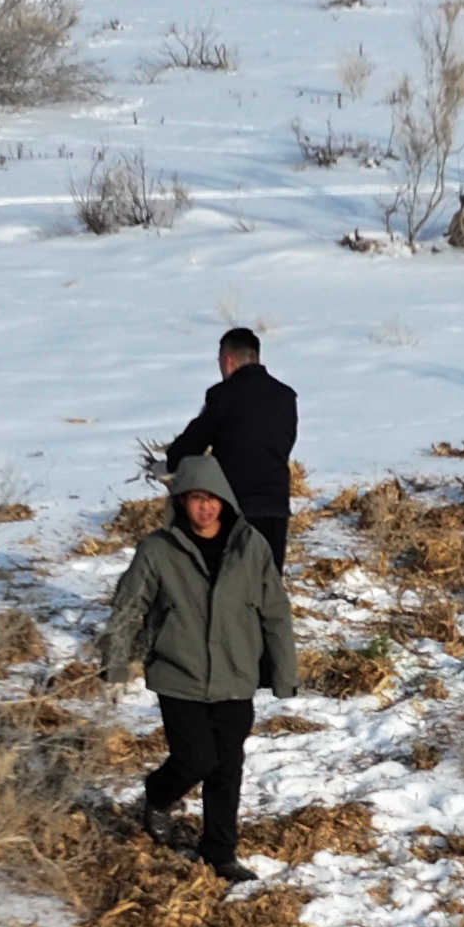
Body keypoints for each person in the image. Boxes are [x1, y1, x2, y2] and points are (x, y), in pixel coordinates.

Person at [96, 449, 298, 881]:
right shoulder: (157, 550)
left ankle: (220, 855)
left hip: (235, 675)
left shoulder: (250, 547)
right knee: (195, 760)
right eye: (194, 497)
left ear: (224, 499)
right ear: (181, 501)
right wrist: (115, 665)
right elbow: (128, 608)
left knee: (227, 769)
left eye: (212, 498)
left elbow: (275, 612)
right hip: (178, 674)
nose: (204, 507)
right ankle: (158, 794)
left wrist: (284, 673)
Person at [161, 323, 299, 564]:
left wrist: (171, 460)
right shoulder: (286, 397)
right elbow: (285, 443)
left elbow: (192, 445)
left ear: (227, 361)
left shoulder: (223, 395)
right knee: (268, 584)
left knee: (228, 582)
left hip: (233, 508)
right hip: (275, 507)